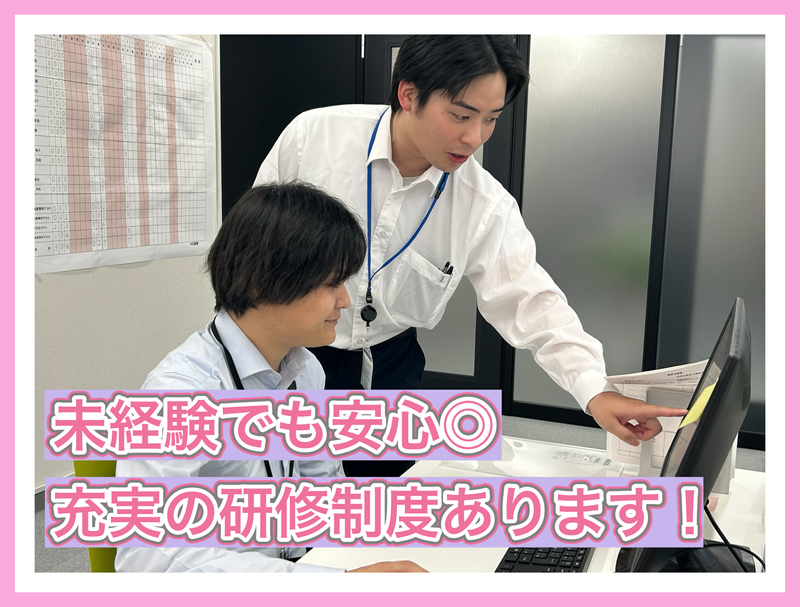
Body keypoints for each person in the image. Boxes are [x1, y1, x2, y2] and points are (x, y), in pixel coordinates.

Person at [254, 35, 686, 479]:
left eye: (491, 119)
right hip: (286, 351)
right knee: (273, 488)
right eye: (461, 115)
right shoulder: (315, 138)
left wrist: (595, 390)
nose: (474, 137)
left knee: (382, 494)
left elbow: (530, 299)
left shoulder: (482, 203)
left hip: (387, 363)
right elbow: (253, 248)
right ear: (408, 94)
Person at [115, 183, 425, 573]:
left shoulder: (305, 369)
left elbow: (322, 487)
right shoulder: (180, 393)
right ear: (262, 282)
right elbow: (146, 559)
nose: (345, 300)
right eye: (332, 283)